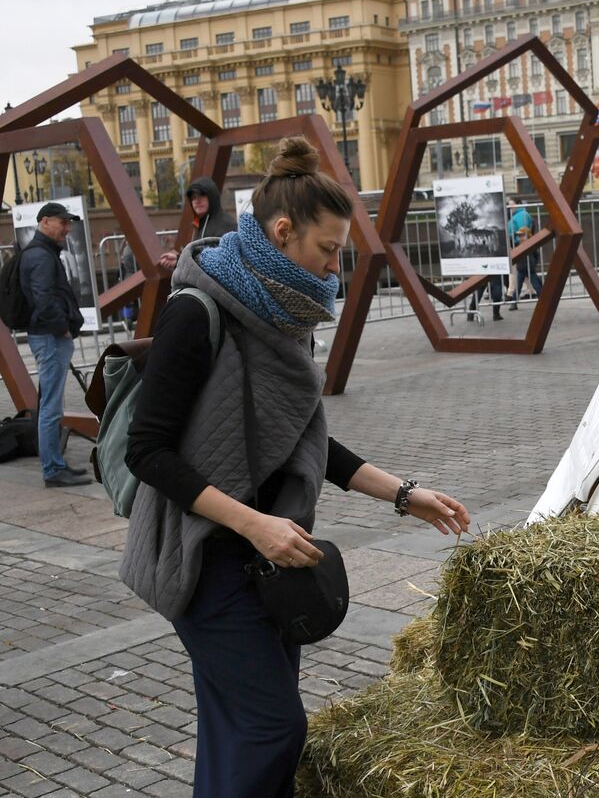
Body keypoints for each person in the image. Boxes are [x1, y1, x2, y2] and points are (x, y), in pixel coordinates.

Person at [120, 136, 471, 798]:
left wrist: (404, 493)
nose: (335, 270)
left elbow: (307, 439)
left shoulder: (282, 316)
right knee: (272, 728)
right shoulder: (195, 312)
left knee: (236, 729)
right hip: (203, 560)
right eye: (329, 250)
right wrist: (255, 524)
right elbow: (148, 451)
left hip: (268, 563)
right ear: (283, 232)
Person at [19, 202, 90, 488]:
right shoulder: (41, 256)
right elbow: (43, 298)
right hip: (49, 338)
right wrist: (62, 329)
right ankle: (52, 469)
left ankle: (56, 465)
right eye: (62, 222)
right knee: (51, 407)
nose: (67, 228)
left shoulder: (42, 253)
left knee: (52, 403)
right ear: (45, 221)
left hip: (48, 336)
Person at [159, 176, 235, 271]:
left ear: (212, 196)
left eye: (201, 195)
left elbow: (219, 263)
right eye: (194, 198)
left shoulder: (226, 225)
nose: (197, 201)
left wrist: (180, 260)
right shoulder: (201, 225)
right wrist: (179, 259)